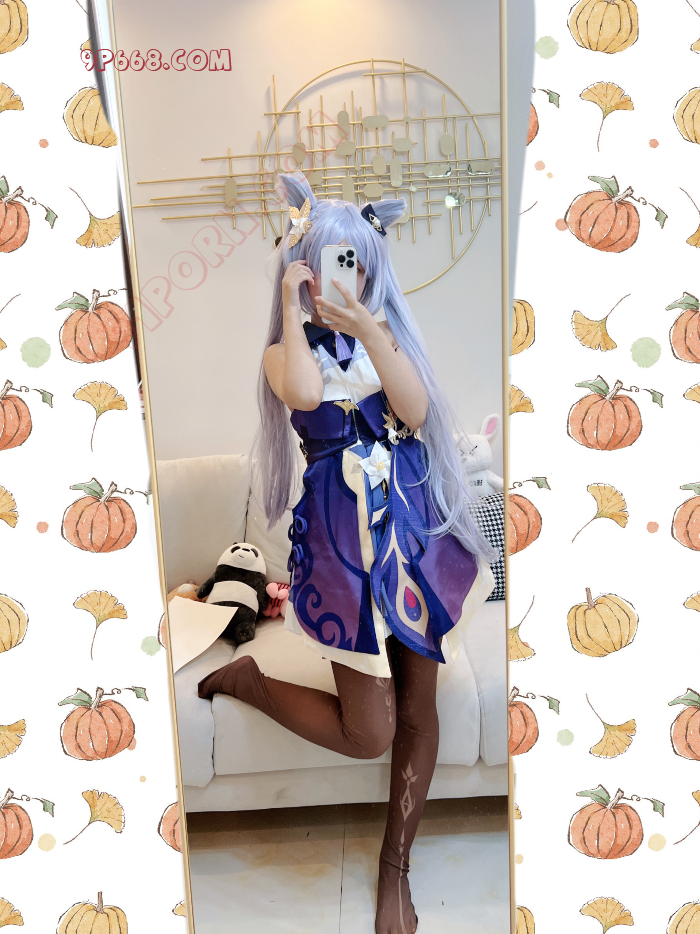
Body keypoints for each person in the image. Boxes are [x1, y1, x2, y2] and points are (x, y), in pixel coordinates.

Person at [198, 171, 497, 934]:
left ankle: (395, 867)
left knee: (419, 711)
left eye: (354, 262)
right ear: (299, 266)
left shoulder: (386, 338)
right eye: (327, 261)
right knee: (372, 732)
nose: (343, 276)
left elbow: (415, 411)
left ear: (371, 267)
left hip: (413, 538)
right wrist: (292, 309)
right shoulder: (282, 352)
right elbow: (303, 395)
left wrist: (368, 328)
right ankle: (251, 682)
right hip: (342, 555)